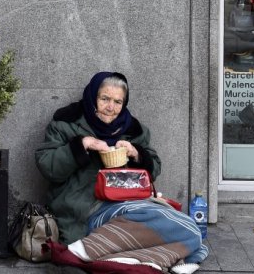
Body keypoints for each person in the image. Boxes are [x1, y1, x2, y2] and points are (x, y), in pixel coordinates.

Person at [35, 72, 208, 271]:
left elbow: (155, 167)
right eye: (104, 99)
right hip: (86, 208)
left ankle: (114, 255)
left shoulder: (133, 129)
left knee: (190, 228)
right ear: (92, 97)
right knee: (181, 230)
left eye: (118, 101)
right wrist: (83, 144)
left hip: (128, 201)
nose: (111, 108)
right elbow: (48, 167)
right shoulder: (65, 124)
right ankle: (94, 249)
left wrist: (136, 153)